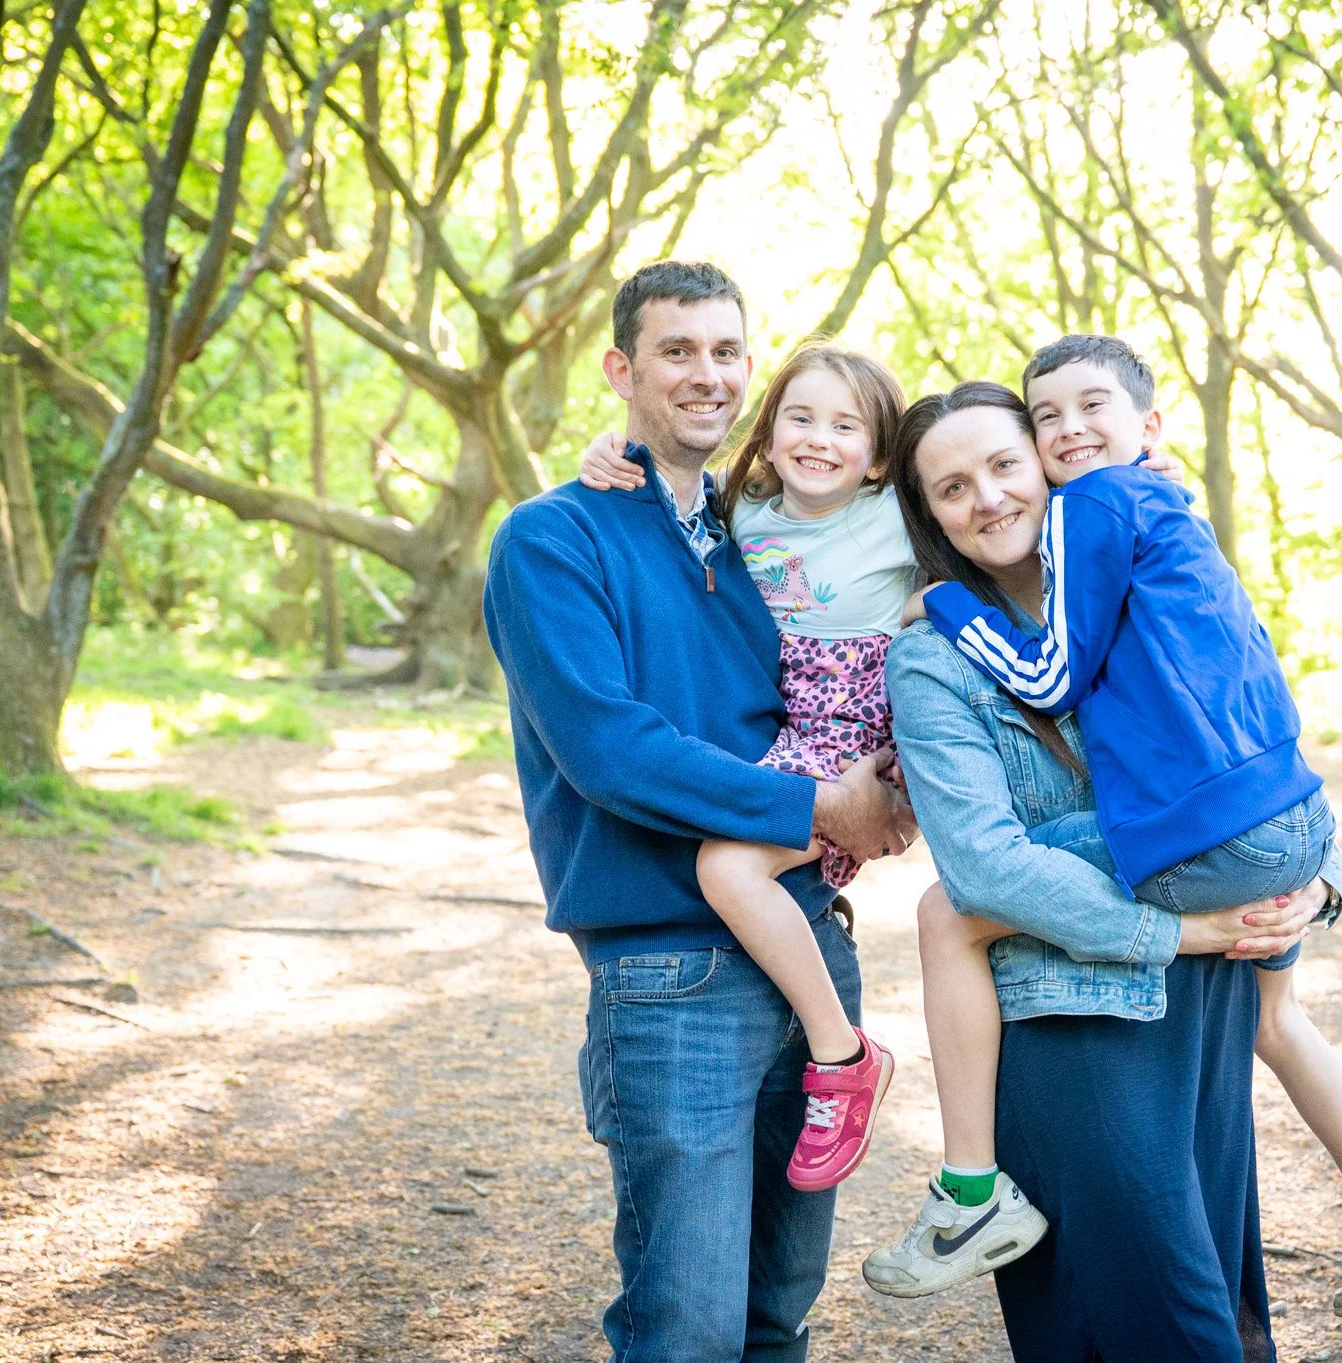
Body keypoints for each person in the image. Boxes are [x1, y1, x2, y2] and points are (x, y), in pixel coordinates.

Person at [880, 336, 1342, 1317]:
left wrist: (1319, 883)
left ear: (1055, 465)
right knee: (1149, 1290)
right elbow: (989, 865)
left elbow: (1247, 713)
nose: (987, 497)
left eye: (1006, 463)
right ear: (927, 513)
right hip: (1104, 994)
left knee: (1216, 1295)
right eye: (951, 488)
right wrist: (1196, 926)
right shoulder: (940, 656)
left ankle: (968, 1191)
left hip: (1210, 974)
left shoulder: (1140, 566)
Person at [481, 261, 910, 1363]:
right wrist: (819, 804)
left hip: (808, 941)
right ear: (621, 370)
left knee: (776, 1316)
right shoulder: (552, 538)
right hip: (670, 972)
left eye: (725, 351)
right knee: (689, 1327)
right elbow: (609, 750)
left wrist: (1125, 476)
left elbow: (954, 499)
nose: (705, 374)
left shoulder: (761, 526)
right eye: (675, 351)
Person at [573, 343, 915, 1192]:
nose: (819, 439)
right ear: (768, 429)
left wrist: (1137, 466)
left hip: (849, 732)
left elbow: (1001, 503)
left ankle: (843, 1055)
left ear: (879, 455)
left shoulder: (895, 513)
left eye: (846, 426)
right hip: (786, 725)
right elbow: (669, 491)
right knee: (733, 855)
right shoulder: (743, 507)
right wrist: (609, 453)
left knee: (726, 865)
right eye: (800, 417)